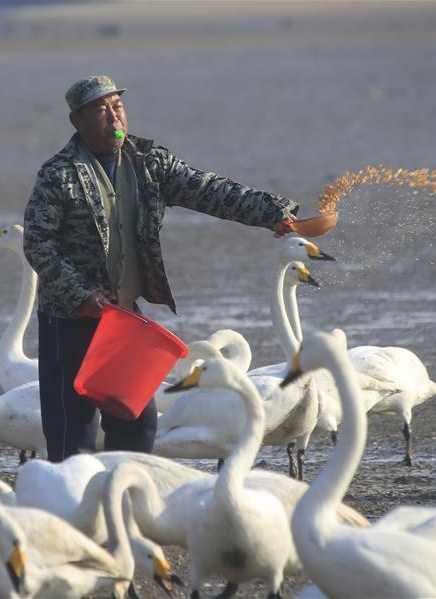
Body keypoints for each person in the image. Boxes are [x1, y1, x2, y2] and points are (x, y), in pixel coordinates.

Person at [24, 75, 298, 462]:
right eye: (100, 111)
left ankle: (124, 497)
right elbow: (38, 245)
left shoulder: (149, 162)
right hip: (69, 320)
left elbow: (208, 190)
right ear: (77, 122)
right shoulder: (58, 175)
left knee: (135, 421)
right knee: (73, 432)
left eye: (117, 106)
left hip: (121, 320)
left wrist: (274, 213)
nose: (112, 117)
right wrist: (82, 295)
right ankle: (74, 512)